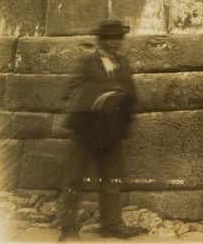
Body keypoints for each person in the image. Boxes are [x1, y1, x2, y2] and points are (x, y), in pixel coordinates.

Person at [56, 20, 145, 241]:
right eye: (110, 38)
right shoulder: (87, 62)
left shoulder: (123, 62)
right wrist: (85, 106)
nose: (115, 42)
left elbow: (131, 91)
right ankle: (67, 228)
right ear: (101, 40)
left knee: (112, 180)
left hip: (112, 132)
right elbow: (68, 91)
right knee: (73, 179)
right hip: (86, 131)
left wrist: (126, 105)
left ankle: (112, 224)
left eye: (118, 38)